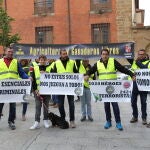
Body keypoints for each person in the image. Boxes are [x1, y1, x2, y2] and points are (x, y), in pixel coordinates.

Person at [87, 49, 135, 131]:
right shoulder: (98, 64)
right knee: (106, 106)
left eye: (106, 54)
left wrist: (131, 74)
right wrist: (86, 75)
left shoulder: (113, 61)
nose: (104, 56)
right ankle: (108, 121)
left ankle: (118, 122)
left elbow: (122, 69)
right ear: (101, 55)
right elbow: (90, 71)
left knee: (115, 106)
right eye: (103, 54)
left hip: (113, 88)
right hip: (104, 89)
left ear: (108, 55)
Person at [0, 47, 29, 130]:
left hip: (13, 89)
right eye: (9, 51)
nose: (11, 53)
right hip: (2, 89)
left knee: (13, 106)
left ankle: (11, 121)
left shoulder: (16, 62)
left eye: (12, 52)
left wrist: (28, 77)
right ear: (4, 52)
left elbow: (22, 73)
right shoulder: (0, 62)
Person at [52, 49, 78, 128]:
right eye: (63, 54)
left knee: (71, 104)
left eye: (66, 53)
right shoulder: (56, 63)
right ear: (60, 55)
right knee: (60, 104)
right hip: (60, 87)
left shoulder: (72, 62)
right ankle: (63, 119)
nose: (65, 55)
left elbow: (76, 73)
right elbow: (52, 74)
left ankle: (72, 120)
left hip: (70, 87)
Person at [29, 55, 52, 130]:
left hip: (47, 91)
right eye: (41, 60)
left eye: (43, 60)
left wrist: (46, 73)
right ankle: (37, 122)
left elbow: (53, 78)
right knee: (38, 106)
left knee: (46, 106)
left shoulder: (49, 68)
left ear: (46, 60)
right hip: (38, 91)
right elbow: (33, 80)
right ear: (38, 60)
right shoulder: (35, 68)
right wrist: (35, 89)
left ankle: (45, 120)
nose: (42, 61)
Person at [127, 49, 149, 125]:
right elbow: (126, 55)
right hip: (134, 85)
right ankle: (135, 116)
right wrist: (129, 45)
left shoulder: (148, 62)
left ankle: (144, 118)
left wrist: (137, 62)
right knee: (133, 102)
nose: (141, 55)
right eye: (139, 54)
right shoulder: (133, 62)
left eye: (142, 54)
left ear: (145, 55)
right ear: (137, 55)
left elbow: (145, 69)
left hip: (143, 86)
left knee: (143, 102)